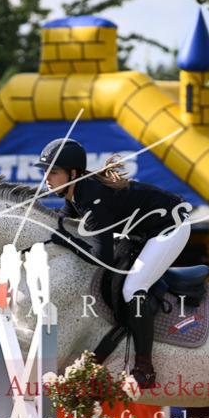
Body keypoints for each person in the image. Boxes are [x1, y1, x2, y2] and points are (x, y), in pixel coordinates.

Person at [36, 138, 191, 388]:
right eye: (45, 172)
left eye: (53, 172)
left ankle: (145, 369)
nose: (46, 178)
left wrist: (66, 242)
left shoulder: (93, 199)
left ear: (73, 173)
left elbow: (102, 258)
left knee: (133, 288)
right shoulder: (75, 194)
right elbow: (60, 226)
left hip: (171, 226)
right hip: (145, 231)